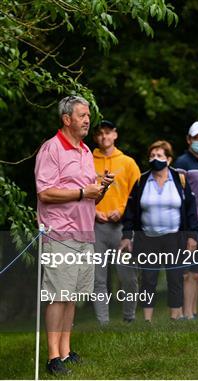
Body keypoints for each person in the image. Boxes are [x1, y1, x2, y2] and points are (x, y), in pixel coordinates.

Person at [35, 95, 113, 375]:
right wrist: (83, 192)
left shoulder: (85, 151)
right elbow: (45, 192)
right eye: (82, 115)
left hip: (84, 232)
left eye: (88, 115)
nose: (87, 120)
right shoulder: (51, 149)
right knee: (58, 294)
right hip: (59, 233)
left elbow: (89, 195)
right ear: (66, 119)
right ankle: (53, 357)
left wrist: (99, 188)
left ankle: (66, 353)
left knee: (72, 296)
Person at [119, 140, 198, 322]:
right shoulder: (141, 180)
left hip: (174, 237)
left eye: (160, 155)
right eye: (152, 155)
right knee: (148, 278)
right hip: (147, 238)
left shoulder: (180, 180)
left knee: (175, 277)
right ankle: (147, 319)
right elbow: (130, 212)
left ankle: (174, 316)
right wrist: (126, 236)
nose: (155, 159)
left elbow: (190, 210)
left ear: (169, 159)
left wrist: (192, 236)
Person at [92, 119, 141, 325]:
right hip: (96, 227)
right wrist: (94, 211)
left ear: (115, 135)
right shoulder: (87, 160)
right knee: (98, 279)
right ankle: (103, 323)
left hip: (121, 228)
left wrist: (121, 211)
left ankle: (129, 318)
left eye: (108, 132)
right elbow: (82, 191)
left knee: (128, 277)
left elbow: (138, 196)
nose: (104, 137)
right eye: (100, 133)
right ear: (96, 137)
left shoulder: (128, 163)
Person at [173, 121, 198, 319]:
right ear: (189, 140)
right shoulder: (182, 162)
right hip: (190, 226)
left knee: (197, 273)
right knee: (186, 272)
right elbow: (181, 197)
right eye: (196, 138)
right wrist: (189, 229)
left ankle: (192, 312)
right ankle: (185, 314)